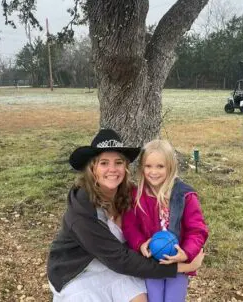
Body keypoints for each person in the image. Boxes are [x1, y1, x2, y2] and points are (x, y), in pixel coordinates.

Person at [47, 129, 205, 302]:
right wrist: (182, 267)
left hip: (116, 269)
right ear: (93, 168)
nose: (112, 169)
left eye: (118, 162)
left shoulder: (129, 194)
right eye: (104, 163)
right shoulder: (81, 212)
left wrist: (188, 251)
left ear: (126, 167)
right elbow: (120, 259)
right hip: (79, 273)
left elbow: (195, 228)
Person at [122, 139, 209, 302]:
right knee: (154, 298)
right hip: (150, 263)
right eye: (148, 166)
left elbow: (197, 230)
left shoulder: (184, 196)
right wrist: (140, 243)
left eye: (160, 166)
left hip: (177, 264)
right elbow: (129, 226)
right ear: (142, 168)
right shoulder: (136, 195)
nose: (153, 172)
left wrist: (186, 253)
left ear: (170, 167)